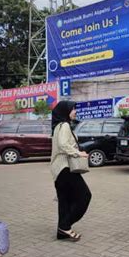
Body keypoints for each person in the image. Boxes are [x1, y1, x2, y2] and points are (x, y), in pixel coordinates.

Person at [51, 101, 91, 241]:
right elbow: (63, 145)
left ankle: (61, 232)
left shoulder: (58, 126)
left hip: (58, 169)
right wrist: (78, 153)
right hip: (65, 167)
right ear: (65, 111)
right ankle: (65, 226)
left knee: (65, 200)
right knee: (85, 196)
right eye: (73, 109)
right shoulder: (65, 125)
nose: (75, 111)